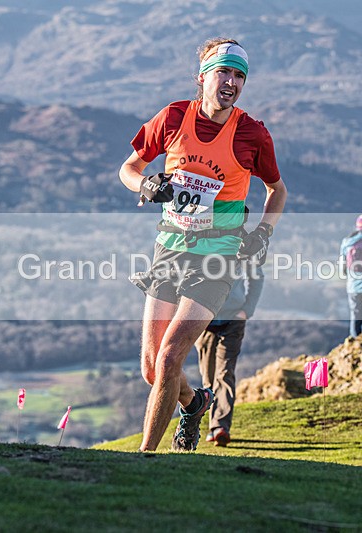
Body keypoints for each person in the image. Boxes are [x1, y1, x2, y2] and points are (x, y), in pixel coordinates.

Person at [119, 38, 287, 452]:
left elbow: (277, 190)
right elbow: (129, 169)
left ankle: (146, 459)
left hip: (218, 257)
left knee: (170, 357)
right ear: (203, 78)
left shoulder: (252, 133)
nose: (231, 82)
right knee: (151, 369)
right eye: (224, 72)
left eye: (239, 76)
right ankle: (195, 405)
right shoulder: (174, 117)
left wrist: (261, 234)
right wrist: (147, 183)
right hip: (169, 250)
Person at [195, 265, 264, 447]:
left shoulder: (244, 244)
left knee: (225, 373)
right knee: (208, 377)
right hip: (203, 321)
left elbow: (256, 276)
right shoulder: (203, 243)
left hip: (233, 319)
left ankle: (220, 427)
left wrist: (247, 310)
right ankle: (210, 426)